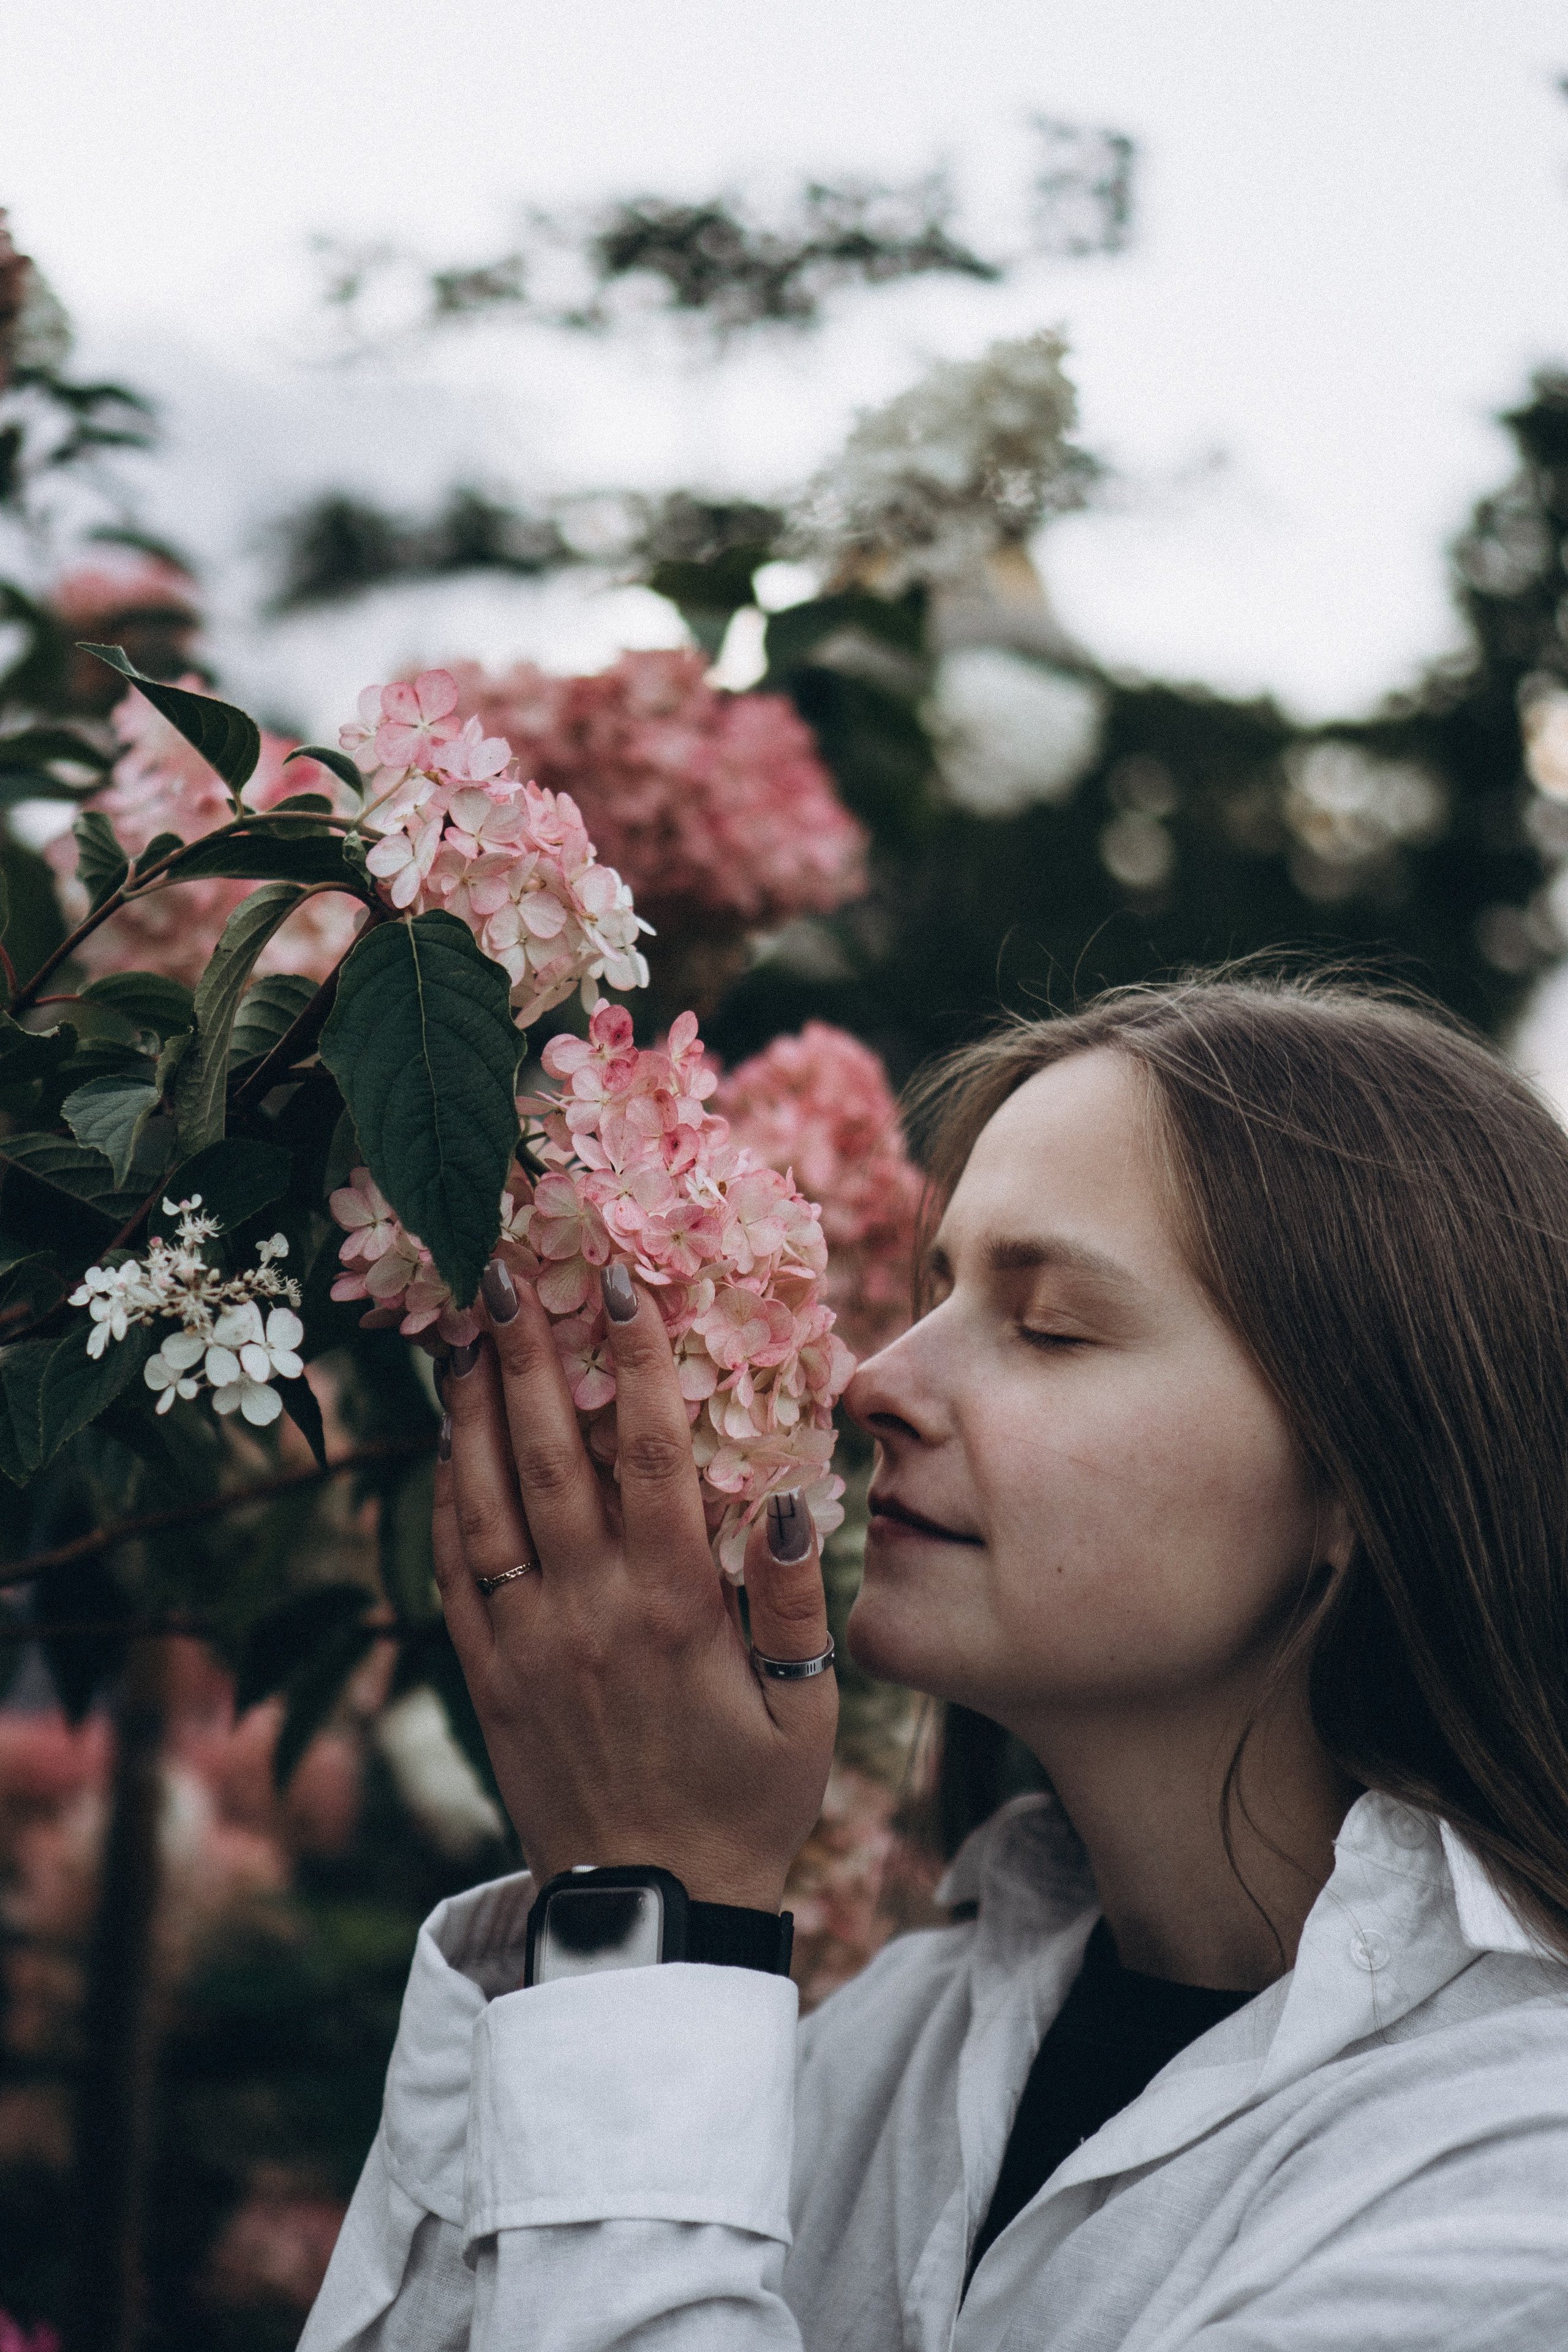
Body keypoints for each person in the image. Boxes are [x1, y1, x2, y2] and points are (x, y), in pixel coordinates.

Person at [301, 970, 1568, 2351]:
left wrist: (653, 1911)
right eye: (941, 1288)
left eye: (1050, 1327)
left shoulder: (1511, 2170)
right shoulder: (904, 2034)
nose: (870, 1382)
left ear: (1356, 1484)